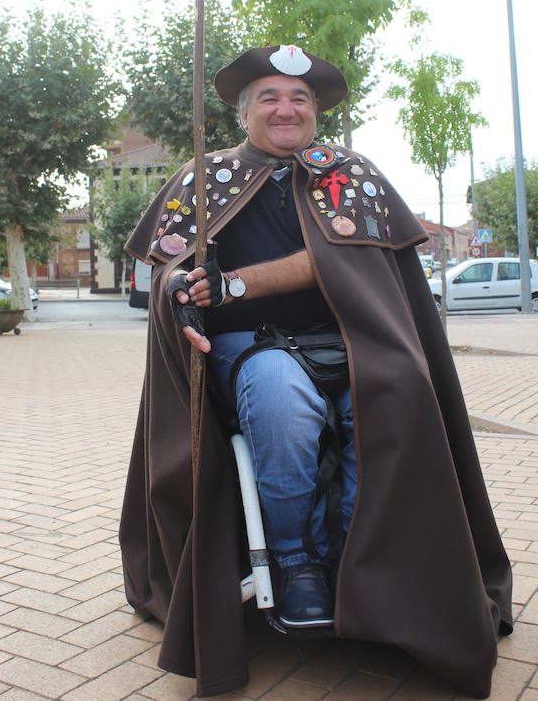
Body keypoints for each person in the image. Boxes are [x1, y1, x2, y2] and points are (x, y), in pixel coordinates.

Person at [120, 44, 512, 700]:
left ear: (315, 111)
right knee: (281, 399)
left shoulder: (349, 173)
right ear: (245, 111)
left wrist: (236, 282)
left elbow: (351, 263)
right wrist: (181, 292)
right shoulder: (203, 177)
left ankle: (371, 560)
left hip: (351, 342)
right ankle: (299, 564)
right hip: (250, 352)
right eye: (270, 97)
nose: (286, 108)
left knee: (398, 389)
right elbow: (165, 272)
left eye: (299, 98)